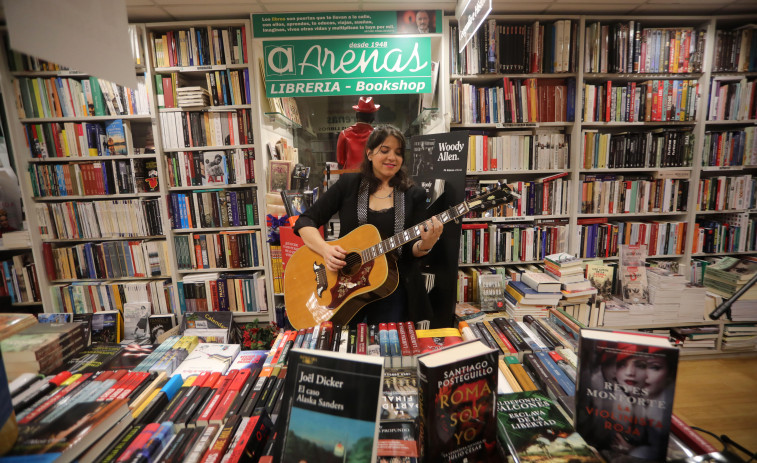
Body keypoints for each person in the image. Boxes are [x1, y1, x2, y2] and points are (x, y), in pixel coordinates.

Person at [294, 125, 442, 325]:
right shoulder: (349, 185)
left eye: (398, 153)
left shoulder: (413, 194)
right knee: (346, 346)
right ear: (369, 153)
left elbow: (409, 249)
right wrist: (326, 250)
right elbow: (305, 221)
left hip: (391, 289)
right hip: (344, 288)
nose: (392, 157)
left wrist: (425, 244)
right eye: (385, 150)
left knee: (388, 350)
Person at [336, 97, 379, 170]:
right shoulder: (377, 135)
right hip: (370, 177)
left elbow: (340, 161)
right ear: (373, 118)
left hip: (349, 177)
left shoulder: (344, 134)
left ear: (357, 115)